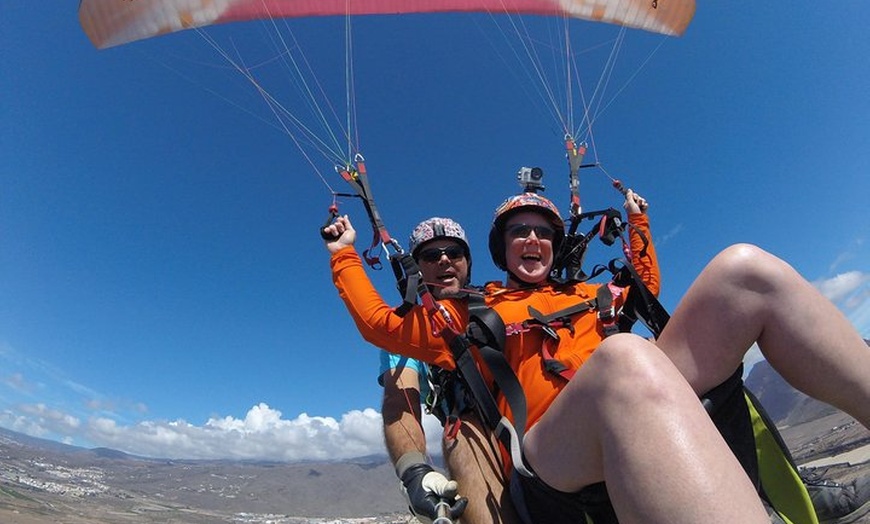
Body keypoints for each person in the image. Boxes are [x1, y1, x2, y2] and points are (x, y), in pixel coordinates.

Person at [326, 191, 870, 523]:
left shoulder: (585, 293)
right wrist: (344, 254)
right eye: (519, 233)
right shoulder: (465, 314)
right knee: (625, 358)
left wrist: (639, 225)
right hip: (549, 457)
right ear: (502, 249)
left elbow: (646, 283)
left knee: (745, 271)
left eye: (543, 231)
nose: (532, 240)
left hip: (635, 398)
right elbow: (379, 325)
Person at [375, 217, 517, 524]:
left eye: (454, 252)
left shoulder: (499, 303)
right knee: (461, 434)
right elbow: (400, 401)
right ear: (416, 268)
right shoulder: (406, 332)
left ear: (467, 262)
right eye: (430, 255)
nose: (444, 260)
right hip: (474, 436)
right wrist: (413, 471)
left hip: (533, 418)